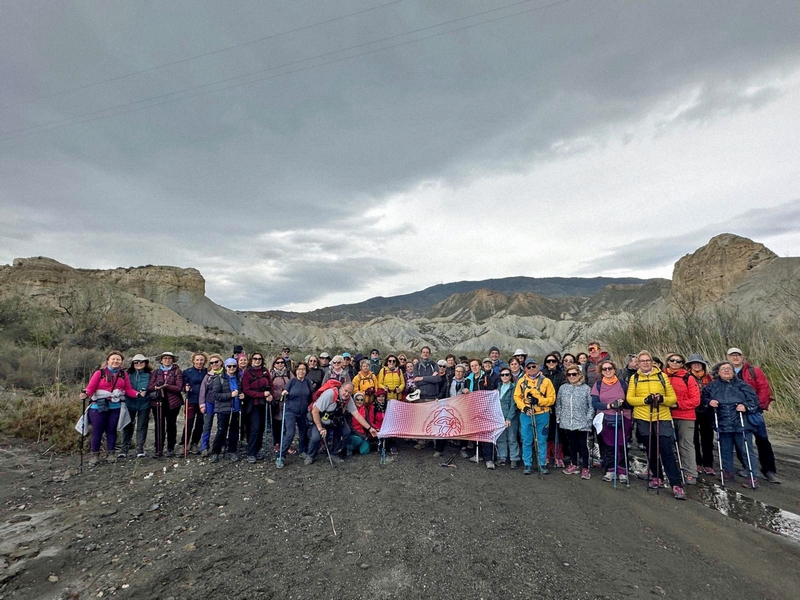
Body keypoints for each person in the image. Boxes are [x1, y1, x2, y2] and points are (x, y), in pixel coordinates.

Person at [626, 351, 685, 500]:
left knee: (666, 449)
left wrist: (662, 399)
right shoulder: (635, 378)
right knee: (651, 449)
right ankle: (657, 477)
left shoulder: (662, 376)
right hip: (643, 417)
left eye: (648, 360)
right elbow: (630, 399)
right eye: (642, 361)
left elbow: (672, 399)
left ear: (652, 362)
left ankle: (676, 484)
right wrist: (645, 401)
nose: (645, 363)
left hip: (662, 416)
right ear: (638, 363)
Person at [701, 361, 760, 488]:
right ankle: (727, 472)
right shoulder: (711, 387)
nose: (726, 371)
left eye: (729, 369)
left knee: (746, 451)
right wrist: (709, 402)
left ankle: (752, 476)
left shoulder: (743, 385)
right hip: (722, 422)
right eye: (723, 369)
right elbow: (703, 400)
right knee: (725, 450)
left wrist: (746, 406)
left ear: (734, 372)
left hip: (742, 423)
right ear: (718, 372)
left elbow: (754, 401)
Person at [727, 348, 779, 483]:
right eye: (732, 355)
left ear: (743, 357)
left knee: (762, 440)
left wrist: (755, 406)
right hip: (736, 412)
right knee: (740, 440)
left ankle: (769, 470)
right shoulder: (725, 371)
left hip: (754, 411)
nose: (735, 357)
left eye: (738, 355)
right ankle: (746, 467)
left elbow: (764, 389)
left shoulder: (754, 371)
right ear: (728, 357)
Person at [81, 351, 140, 465]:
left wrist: (137, 394)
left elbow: (128, 389)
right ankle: (95, 455)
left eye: (118, 359)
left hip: (115, 406)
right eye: (113, 359)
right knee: (97, 431)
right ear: (108, 360)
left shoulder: (123, 374)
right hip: (97, 406)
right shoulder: (99, 373)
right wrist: (86, 394)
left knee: (111, 430)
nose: (115, 361)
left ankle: (111, 454)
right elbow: (91, 387)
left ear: (121, 362)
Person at [306, 383, 377, 464]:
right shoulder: (330, 394)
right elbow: (315, 411)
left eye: (349, 392)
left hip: (334, 419)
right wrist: (320, 428)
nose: (346, 394)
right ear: (341, 388)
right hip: (319, 418)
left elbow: (357, 415)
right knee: (316, 438)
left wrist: (370, 428)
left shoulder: (348, 400)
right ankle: (310, 456)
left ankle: (334, 453)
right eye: (345, 391)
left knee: (346, 432)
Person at [591, 359, 631, 483]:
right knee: (609, 444)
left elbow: (629, 401)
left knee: (621, 443)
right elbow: (595, 403)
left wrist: (621, 404)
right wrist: (609, 406)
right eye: (605, 369)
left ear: (614, 370)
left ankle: (623, 470)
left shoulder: (623, 384)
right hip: (605, 417)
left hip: (623, 416)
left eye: (610, 368)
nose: (608, 371)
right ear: (601, 372)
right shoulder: (597, 385)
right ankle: (610, 469)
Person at [514, 359, 556, 475]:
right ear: (525, 369)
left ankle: (542, 464)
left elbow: (552, 399)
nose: (531, 369)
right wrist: (524, 408)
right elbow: (517, 397)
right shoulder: (521, 382)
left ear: (538, 367)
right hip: (527, 414)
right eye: (529, 367)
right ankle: (527, 464)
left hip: (542, 414)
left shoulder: (546, 381)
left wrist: (539, 401)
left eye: (534, 366)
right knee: (526, 440)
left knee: (541, 440)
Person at [664, 353, 701, 485]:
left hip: (685, 415)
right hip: (665, 414)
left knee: (686, 444)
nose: (675, 363)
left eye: (678, 361)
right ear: (667, 361)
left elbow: (696, 400)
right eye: (672, 360)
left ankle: (690, 472)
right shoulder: (661, 375)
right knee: (665, 444)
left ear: (682, 364)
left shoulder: (688, 377)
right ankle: (666, 470)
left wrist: (678, 404)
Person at [556, 367, 594, 479]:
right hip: (567, 421)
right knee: (572, 444)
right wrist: (559, 417)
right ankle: (574, 464)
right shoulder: (563, 388)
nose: (572, 377)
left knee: (583, 445)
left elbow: (590, 405)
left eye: (574, 374)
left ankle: (586, 467)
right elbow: (559, 404)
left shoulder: (586, 388)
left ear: (579, 374)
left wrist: (588, 418)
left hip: (582, 422)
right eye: (569, 375)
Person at [147, 352, 184, 458]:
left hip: (173, 402)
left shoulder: (177, 371)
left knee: (171, 425)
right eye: (165, 358)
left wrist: (165, 386)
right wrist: (156, 386)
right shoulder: (155, 372)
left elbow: (179, 387)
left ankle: (170, 448)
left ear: (173, 360)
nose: (167, 360)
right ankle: (158, 448)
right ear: (161, 360)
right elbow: (150, 387)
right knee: (159, 425)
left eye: (169, 358)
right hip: (157, 401)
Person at [277, 361, 313, 468]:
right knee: (290, 433)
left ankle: (302, 450)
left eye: (303, 369)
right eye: (299, 369)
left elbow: (311, 396)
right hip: (290, 411)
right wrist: (284, 393)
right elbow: (284, 394)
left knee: (303, 432)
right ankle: (281, 455)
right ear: (296, 371)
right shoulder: (292, 382)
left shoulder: (308, 382)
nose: (301, 371)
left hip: (303, 412)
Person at [462, 359, 496, 468]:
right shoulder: (468, 379)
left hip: (485, 409)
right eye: (472, 366)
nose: (474, 367)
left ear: (480, 366)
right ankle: (479, 454)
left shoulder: (486, 378)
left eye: (476, 365)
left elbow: (491, 393)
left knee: (486, 433)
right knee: (477, 433)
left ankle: (489, 459)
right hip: (473, 408)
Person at [210, 358, 245, 462]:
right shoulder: (219, 379)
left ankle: (231, 451)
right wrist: (230, 395)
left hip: (236, 409)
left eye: (234, 366)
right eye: (229, 366)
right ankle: (215, 452)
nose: (232, 368)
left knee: (234, 431)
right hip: (224, 409)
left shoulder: (239, 378)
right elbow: (215, 395)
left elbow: (241, 391)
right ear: (225, 367)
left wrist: (243, 395)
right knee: (221, 430)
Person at [687, 354, 716, 476]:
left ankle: (708, 464)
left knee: (707, 438)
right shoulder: (686, 377)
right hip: (692, 410)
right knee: (693, 439)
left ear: (703, 365)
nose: (697, 365)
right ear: (690, 365)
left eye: (699, 363)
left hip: (707, 410)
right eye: (694, 363)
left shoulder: (709, 378)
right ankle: (697, 462)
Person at [241, 352, 272, 463]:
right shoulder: (247, 373)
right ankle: (251, 452)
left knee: (262, 428)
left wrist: (270, 395)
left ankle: (257, 450)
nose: (257, 360)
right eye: (255, 358)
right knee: (255, 427)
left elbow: (270, 385)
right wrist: (262, 395)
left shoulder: (265, 371)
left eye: (259, 359)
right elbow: (246, 390)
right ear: (251, 360)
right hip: (252, 404)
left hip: (263, 403)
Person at [120, 354, 151, 459]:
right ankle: (124, 449)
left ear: (145, 363)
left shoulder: (150, 374)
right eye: (136, 362)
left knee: (142, 426)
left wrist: (147, 392)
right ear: (132, 364)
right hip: (129, 403)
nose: (139, 364)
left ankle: (140, 448)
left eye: (141, 362)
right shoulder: (127, 374)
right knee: (127, 426)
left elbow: (152, 388)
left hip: (144, 403)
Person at [412, 346, 442, 450]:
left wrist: (423, 378)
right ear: (421, 354)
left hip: (432, 396)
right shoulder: (416, 366)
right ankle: (421, 441)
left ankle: (433, 440)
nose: (425, 354)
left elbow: (437, 379)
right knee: (421, 420)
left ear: (430, 354)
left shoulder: (434, 365)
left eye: (427, 352)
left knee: (433, 419)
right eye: (423, 352)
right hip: (421, 396)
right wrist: (430, 378)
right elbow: (416, 380)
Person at [179, 352, 208, 455]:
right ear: (193, 360)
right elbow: (182, 385)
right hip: (191, 400)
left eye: (201, 360)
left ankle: (194, 443)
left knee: (200, 424)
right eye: (197, 360)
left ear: (205, 361)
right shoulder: (187, 372)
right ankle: (184, 443)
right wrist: (185, 388)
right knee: (188, 423)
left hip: (203, 401)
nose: (199, 362)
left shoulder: (207, 371)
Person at [542, 353, 566, 468]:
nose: (551, 363)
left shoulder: (562, 375)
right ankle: (546, 455)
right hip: (545, 406)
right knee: (546, 432)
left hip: (558, 406)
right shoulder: (541, 376)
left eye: (553, 361)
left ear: (557, 363)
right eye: (548, 361)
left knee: (558, 433)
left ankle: (558, 456)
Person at [198, 354, 224, 456]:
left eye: (216, 362)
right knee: (207, 425)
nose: (214, 364)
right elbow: (202, 390)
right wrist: (202, 404)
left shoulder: (226, 374)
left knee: (221, 426)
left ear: (221, 362)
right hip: (209, 402)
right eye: (212, 363)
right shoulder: (208, 376)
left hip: (222, 403)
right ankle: (204, 446)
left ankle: (220, 445)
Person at [496, 367, 521, 468]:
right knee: (501, 438)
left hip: (511, 418)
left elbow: (513, 405)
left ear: (510, 376)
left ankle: (514, 458)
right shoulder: (498, 388)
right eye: (502, 375)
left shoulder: (514, 388)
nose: (505, 377)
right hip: (499, 417)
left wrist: (509, 418)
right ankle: (502, 457)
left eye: (507, 375)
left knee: (512, 438)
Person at [269, 356, 294, 453]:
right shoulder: (271, 374)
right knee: (276, 424)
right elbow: (268, 386)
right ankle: (277, 443)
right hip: (276, 403)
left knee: (287, 424)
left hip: (287, 402)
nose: (280, 364)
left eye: (282, 362)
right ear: (274, 364)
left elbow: (293, 383)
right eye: (277, 362)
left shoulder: (288, 373)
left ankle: (287, 444)